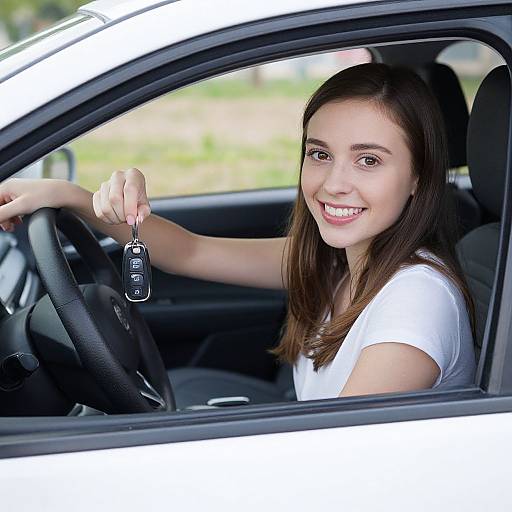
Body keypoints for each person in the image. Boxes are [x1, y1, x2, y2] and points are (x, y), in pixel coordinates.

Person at [0, 62, 476, 401]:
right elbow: (189, 252)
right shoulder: (336, 259)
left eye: (368, 160)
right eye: (320, 153)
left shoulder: (415, 301)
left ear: (418, 176)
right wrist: (75, 196)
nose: (334, 184)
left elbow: (335, 462)